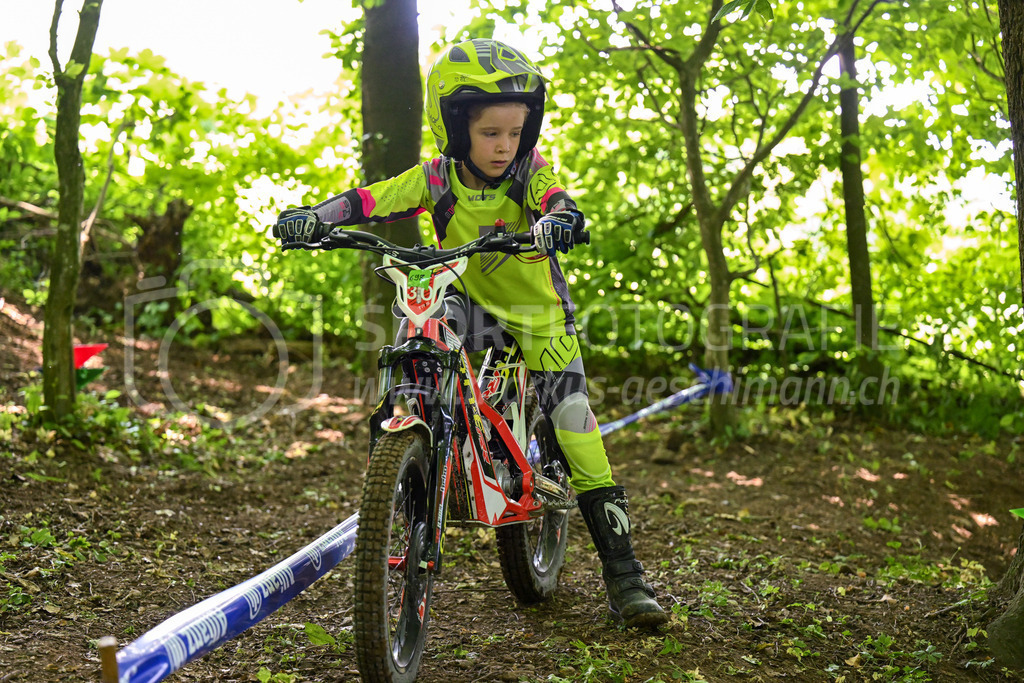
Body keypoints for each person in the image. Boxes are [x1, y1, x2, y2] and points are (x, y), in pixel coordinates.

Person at [273, 38, 667, 628]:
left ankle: (627, 578)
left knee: (575, 427)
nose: (504, 144)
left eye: (516, 132)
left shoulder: (528, 174)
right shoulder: (435, 179)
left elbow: (556, 198)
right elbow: (366, 200)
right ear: (456, 129)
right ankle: (416, 439)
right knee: (419, 320)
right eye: (490, 133)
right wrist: (312, 218)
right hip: (467, 303)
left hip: (539, 319)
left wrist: (562, 221)